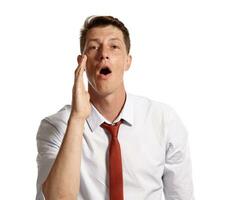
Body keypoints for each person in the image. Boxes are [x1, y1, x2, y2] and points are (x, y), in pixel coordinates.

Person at [36, 15, 194, 200]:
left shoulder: (164, 120)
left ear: (128, 61)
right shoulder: (56, 126)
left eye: (114, 46)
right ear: (82, 63)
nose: (104, 53)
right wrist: (77, 118)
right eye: (94, 47)